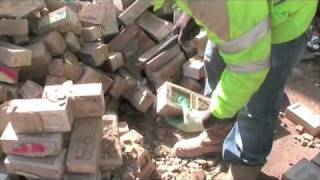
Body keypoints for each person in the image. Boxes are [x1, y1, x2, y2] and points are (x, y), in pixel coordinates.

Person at [154, 0, 318, 179]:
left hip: (283, 20)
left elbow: (250, 68)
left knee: (258, 100)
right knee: (215, 62)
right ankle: (217, 136)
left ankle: (246, 161)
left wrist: (215, 113)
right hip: (239, 11)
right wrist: (194, 10)